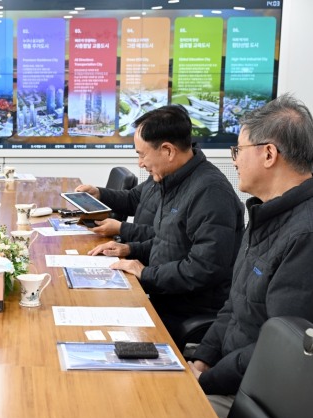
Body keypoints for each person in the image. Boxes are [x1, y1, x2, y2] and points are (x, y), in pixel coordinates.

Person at [188, 94, 313, 418]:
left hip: (257, 397)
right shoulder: (264, 215)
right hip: (228, 374)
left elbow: (278, 348)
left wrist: (206, 381)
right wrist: (203, 359)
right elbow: (235, 305)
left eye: (238, 151)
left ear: (269, 154)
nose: (234, 161)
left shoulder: (304, 235)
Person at [89, 105, 244, 341]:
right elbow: (169, 242)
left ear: (168, 151)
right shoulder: (171, 180)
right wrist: (130, 250)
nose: (140, 163)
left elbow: (203, 268)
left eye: (142, 155)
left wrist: (145, 273)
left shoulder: (210, 192)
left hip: (184, 310)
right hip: (162, 294)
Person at [75, 176, 158, 242]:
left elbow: (161, 237)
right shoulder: (155, 178)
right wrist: (100, 194)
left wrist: (122, 229)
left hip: (144, 252)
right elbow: (132, 199)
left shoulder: (161, 179)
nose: (141, 164)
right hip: (137, 246)